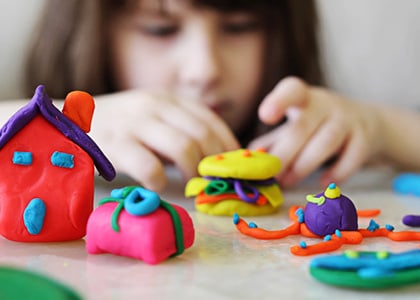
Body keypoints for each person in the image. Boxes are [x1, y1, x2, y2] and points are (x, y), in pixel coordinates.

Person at [2, 0, 420, 192]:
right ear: (91, 35)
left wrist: (385, 130)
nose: (205, 69)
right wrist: (56, 128)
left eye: (239, 26)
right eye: (159, 29)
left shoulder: (316, 139)